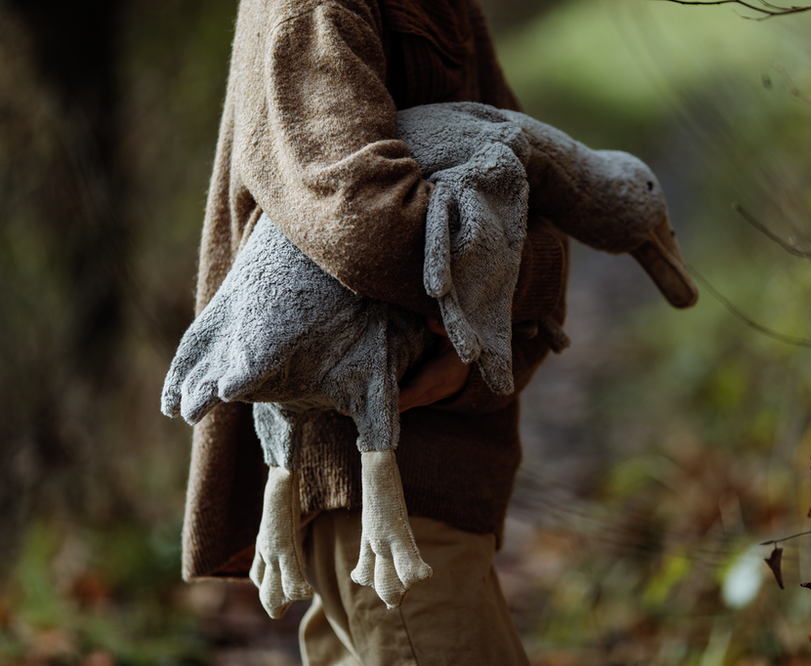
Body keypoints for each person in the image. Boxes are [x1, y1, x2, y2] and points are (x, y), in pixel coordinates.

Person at [181, 0, 568, 662]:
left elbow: (534, 181)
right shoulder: (313, 9)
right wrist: (508, 292)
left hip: (421, 479)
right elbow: (357, 212)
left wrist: (526, 284)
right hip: (379, 494)